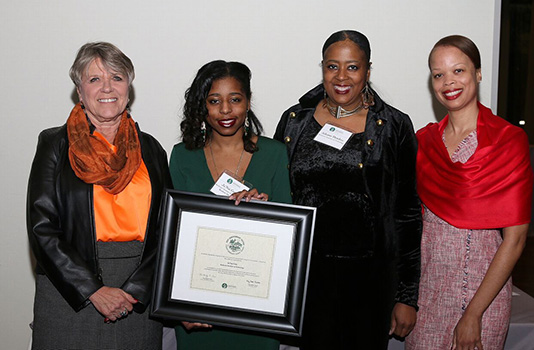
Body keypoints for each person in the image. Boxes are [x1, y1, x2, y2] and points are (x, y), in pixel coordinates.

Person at [274, 30, 422, 349]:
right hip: (307, 279)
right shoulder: (293, 122)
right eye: (332, 66)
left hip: (370, 281)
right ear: (323, 69)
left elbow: (408, 216)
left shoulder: (394, 126)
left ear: (368, 71)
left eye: (352, 67)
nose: (341, 76)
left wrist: (407, 296)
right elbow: (278, 198)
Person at [27, 42, 171, 349]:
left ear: (129, 88)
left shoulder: (152, 150)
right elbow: (42, 229)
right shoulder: (54, 145)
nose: (107, 87)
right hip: (69, 290)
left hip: (137, 294)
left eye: (117, 78)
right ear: (80, 92)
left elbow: (167, 229)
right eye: (94, 79)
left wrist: (135, 290)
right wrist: (92, 289)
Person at [406, 35, 533, 350]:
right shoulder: (424, 142)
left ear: (477, 72)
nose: (448, 81)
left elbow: (515, 239)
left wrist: (474, 313)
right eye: (438, 74)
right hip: (427, 296)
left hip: (481, 297)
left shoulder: (508, 141)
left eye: (458, 71)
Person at [169, 60, 292, 350]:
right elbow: (172, 238)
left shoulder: (274, 154)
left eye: (235, 100)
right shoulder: (182, 156)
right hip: (197, 312)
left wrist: (267, 212)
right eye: (214, 101)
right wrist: (179, 305)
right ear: (202, 106)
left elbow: (290, 239)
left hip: (258, 311)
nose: (225, 110)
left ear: (247, 103)